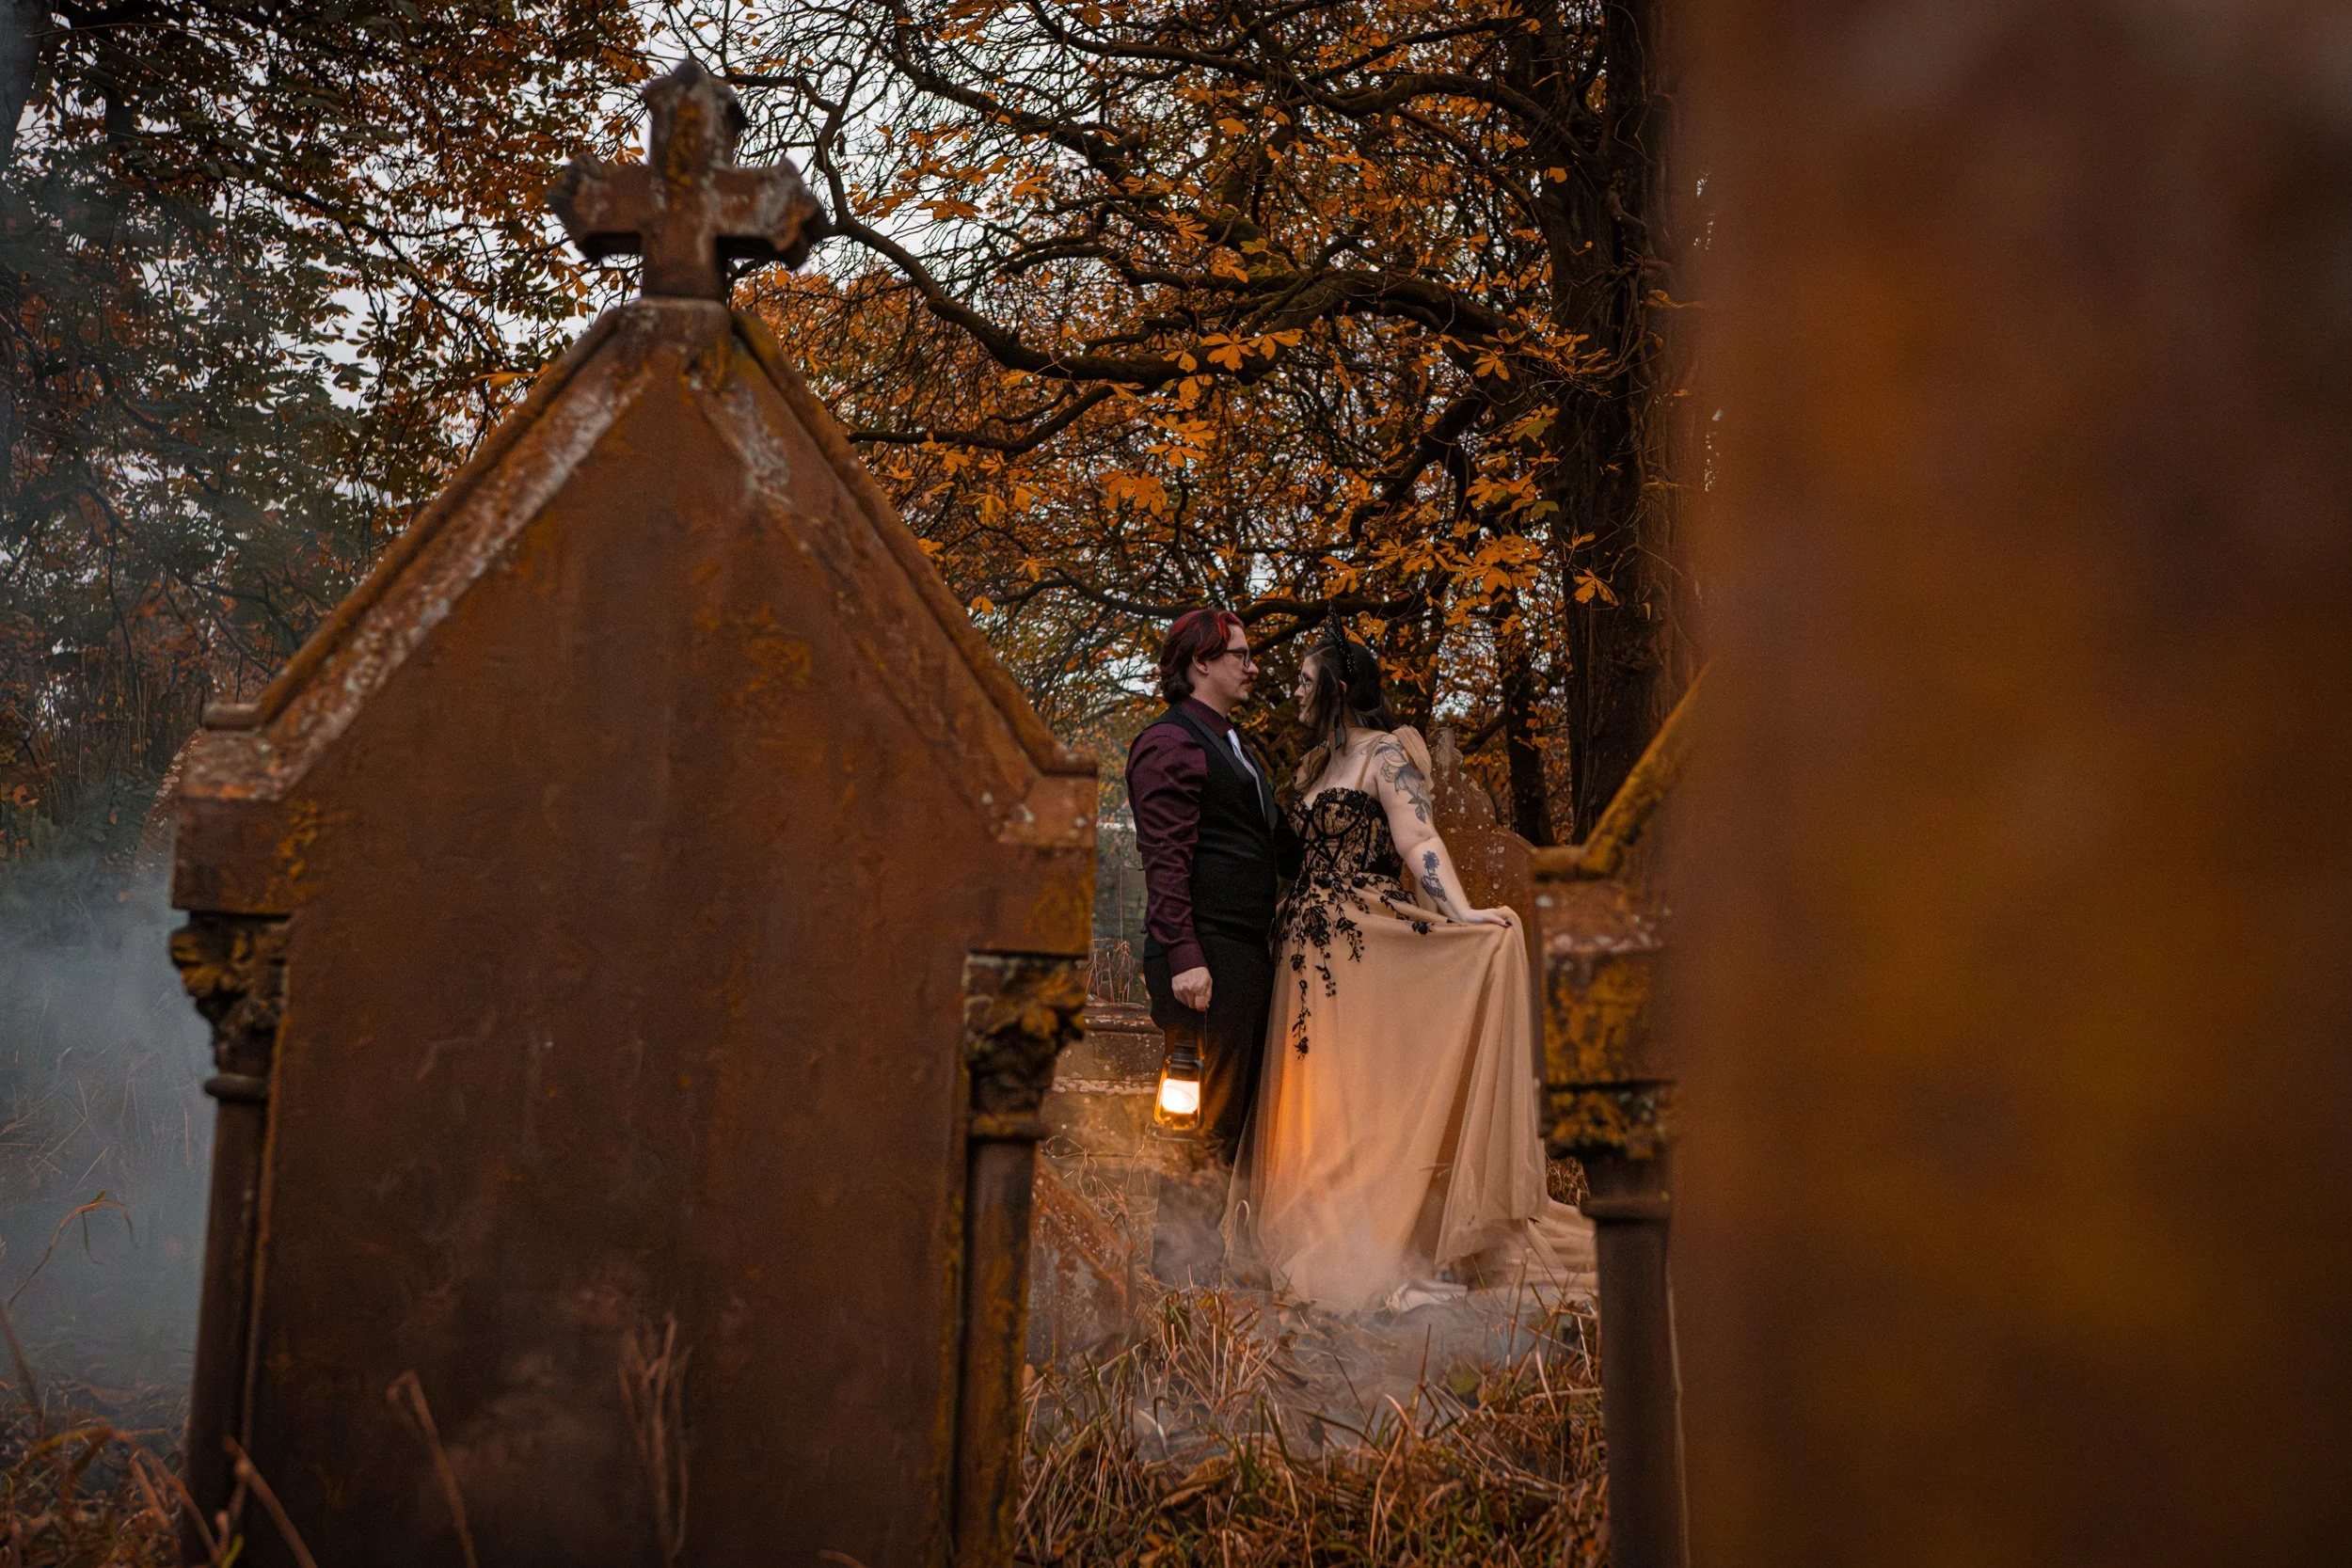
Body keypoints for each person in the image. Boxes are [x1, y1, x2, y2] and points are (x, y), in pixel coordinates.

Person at [1225, 619, 1595, 1312]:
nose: (1296, 692)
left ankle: (1373, 1243)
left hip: (1364, 944)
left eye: (1306, 680)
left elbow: (1417, 836)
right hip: (1303, 957)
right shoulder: (1312, 767)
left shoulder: (1385, 754)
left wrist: (1460, 915)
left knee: (1359, 1099)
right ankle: (1312, 1229)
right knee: (1313, 1106)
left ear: (1336, 687)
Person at [1126, 609, 1292, 1282]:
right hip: (1205, 956)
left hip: (1240, 952)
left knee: (1224, 1122)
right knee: (1198, 1121)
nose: (1253, 666)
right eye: (1240, 655)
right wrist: (1186, 955)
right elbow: (1165, 856)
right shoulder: (1171, 741)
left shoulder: (1233, 741)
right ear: (1200, 662)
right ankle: (1179, 1273)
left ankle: (1197, 1265)